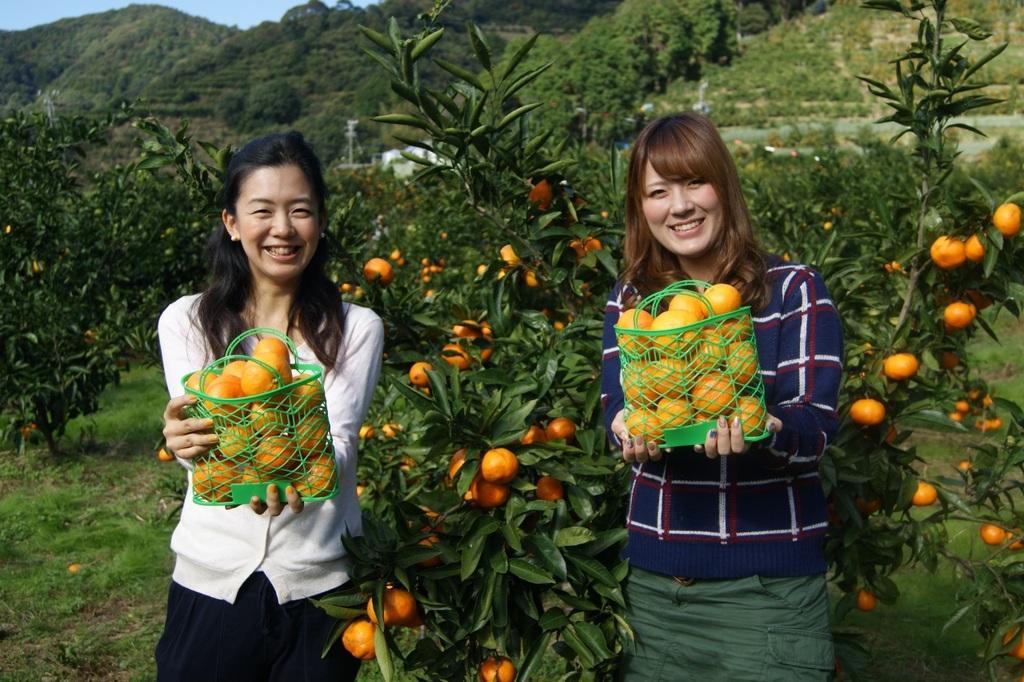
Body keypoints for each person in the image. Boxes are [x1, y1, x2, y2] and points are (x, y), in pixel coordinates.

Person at [600, 113, 843, 680]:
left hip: (768, 593)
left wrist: (767, 430)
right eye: (658, 192)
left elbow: (817, 426)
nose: (679, 206)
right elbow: (618, 404)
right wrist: (623, 430)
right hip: (657, 593)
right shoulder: (634, 305)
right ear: (642, 208)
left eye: (693, 183)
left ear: (723, 187)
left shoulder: (793, 290)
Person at [156, 131, 383, 681]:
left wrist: (253, 455)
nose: (282, 229)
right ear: (232, 223)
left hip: (319, 590)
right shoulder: (186, 320)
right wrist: (186, 443)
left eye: (300, 210)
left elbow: (338, 445)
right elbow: (209, 450)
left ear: (321, 222)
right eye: (263, 211)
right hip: (212, 580)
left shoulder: (356, 328)